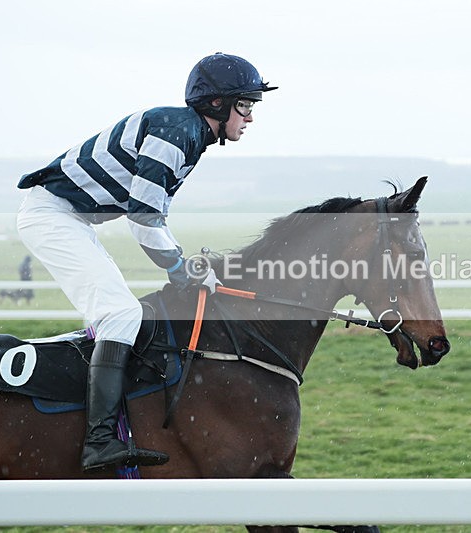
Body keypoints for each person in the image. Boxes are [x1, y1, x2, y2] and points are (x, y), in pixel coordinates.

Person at [15, 53, 276, 471]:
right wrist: (178, 269)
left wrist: (184, 265)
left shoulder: (187, 134)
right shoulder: (177, 132)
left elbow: (152, 216)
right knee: (119, 314)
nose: (250, 117)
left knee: (119, 314)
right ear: (217, 104)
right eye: (244, 105)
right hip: (53, 217)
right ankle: (98, 441)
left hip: (68, 218)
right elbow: (143, 217)